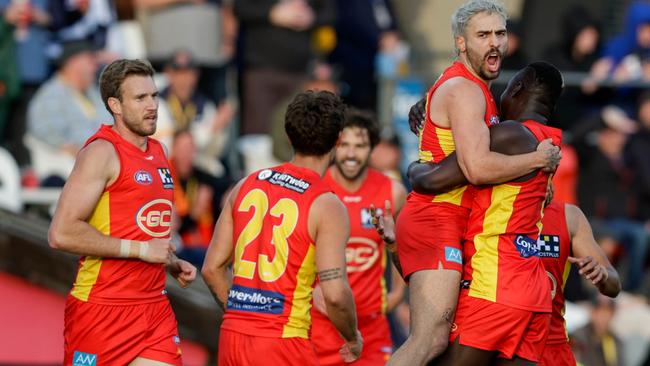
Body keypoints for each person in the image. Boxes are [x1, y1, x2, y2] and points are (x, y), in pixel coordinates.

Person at [390, 1, 560, 365]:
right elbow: (477, 168)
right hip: (436, 220)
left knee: (438, 343)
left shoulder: (477, 92)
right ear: (461, 43)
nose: (495, 42)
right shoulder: (465, 90)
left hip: (451, 224)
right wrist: (536, 160)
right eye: (483, 35)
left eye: (500, 33)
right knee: (428, 341)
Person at [48, 59, 197, 366]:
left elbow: (142, 227)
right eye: (140, 98)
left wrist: (170, 260)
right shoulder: (101, 153)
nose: (153, 105)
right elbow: (61, 233)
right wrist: (142, 250)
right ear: (115, 104)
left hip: (154, 309)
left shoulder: (159, 152)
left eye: (155, 96)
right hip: (101, 311)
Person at [201, 90, 363, 365]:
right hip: (284, 342)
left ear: (289, 136)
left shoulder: (245, 185)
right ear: (337, 141)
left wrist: (245, 315)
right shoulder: (327, 205)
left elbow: (211, 268)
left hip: (233, 337)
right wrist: (352, 336)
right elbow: (335, 294)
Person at [310, 109, 407, 365]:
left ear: (372, 148)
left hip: (371, 328)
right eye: (345, 145)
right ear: (334, 146)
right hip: (320, 327)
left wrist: (398, 294)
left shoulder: (393, 192)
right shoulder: (315, 187)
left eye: (361, 145)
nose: (351, 154)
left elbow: (405, 247)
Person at [537, 196, 621, 366]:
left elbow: (614, 284)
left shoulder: (569, 217)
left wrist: (602, 274)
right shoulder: (492, 206)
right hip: (501, 337)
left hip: (551, 343)